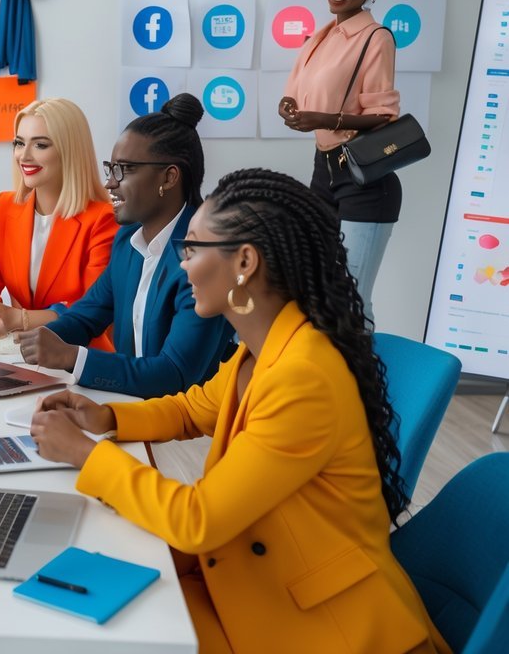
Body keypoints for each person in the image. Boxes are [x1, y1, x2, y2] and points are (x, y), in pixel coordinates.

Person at [29, 168, 449, 654]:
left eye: (191, 249)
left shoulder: (302, 376)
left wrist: (86, 455)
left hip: (327, 630)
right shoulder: (264, 346)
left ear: (245, 261)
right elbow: (192, 409)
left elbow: (198, 518)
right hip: (255, 583)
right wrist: (106, 419)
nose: (182, 266)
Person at [14, 94, 232, 398]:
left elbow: (175, 374)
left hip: (189, 428)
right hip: (133, 407)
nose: (109, 184)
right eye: (110, 168)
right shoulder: (127, 240)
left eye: (124, 170)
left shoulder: (205, 258)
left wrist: (71, 357)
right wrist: (34, 342)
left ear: (169, 177)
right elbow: (86, 315)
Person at [278, 0, 406, 320]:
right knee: (315, 287)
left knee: (352, 299)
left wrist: (324, 118)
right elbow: (303, 92)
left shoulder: (375, 37)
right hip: (324, 171)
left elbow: (385, 115)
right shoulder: (323, 36)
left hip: (364, 179)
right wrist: (291, 107)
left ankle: (364, 382)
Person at [0, 98, 118, 350]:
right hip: (16, 352)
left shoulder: (102, 218)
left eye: (40, 145)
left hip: (77, 355)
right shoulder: (5, 206)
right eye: (19, 143)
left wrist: (21, 319)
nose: (24, 155)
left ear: (70, 150)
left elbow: (91, 309)